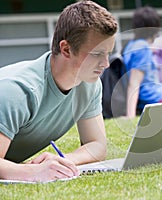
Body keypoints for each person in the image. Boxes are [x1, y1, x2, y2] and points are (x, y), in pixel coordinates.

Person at [0, 0, 117, 182]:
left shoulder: (89, 84)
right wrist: (33, 172)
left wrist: (62, 162)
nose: (106, 64)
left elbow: (97, 145)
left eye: (108, 53)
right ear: (66, 49)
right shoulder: (18, 91)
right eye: (97, 54)